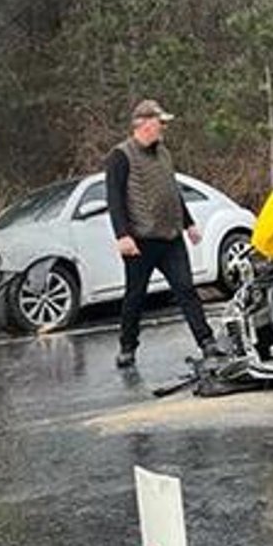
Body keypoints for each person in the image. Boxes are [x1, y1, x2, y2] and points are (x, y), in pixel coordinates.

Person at [105, 99, 223, 370]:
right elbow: (115, 198)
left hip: (170, 238)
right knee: (135, 295)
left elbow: (173, 191)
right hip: (140, 240)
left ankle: (206, 342)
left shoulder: (164, 154)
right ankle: (127, 346)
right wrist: (122, 235)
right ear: (144, 123)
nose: (163, 128)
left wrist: (189, 223)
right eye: (160, 123)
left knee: (186, 289)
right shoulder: (120, 156)